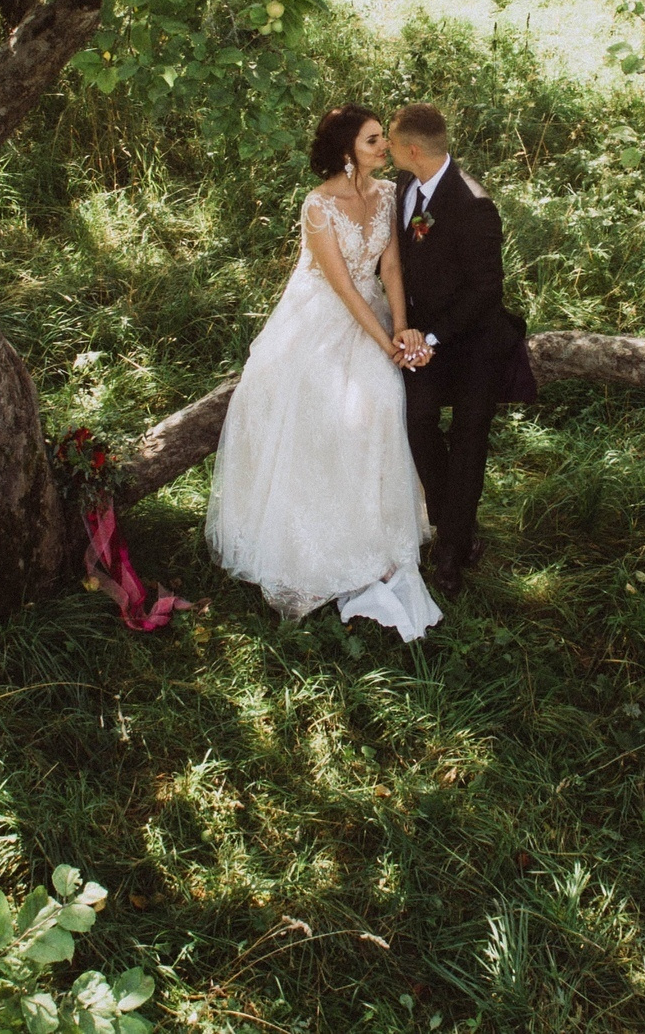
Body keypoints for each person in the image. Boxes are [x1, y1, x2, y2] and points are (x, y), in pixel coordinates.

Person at [203, 106, 442, 640]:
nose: (385, 147)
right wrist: (385, 344)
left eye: (382, 138)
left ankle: (375, 532)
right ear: (346, 150)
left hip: (374, 311)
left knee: (384, 398)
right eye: (373, 140)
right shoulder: (318, 206)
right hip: (321, 318)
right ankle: (312, 534)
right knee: (323, 407)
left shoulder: (389, 193)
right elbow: (344, 287)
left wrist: (402, 330)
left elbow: (390, 268)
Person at [387, 103, 535, 595]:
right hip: (421, 335)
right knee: (418, 417)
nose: (387, 150)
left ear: (413, 150)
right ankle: (456, 522)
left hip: (473, 338)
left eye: (391, 143)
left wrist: (431, 339)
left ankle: (451, 551)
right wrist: (412, 333)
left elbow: (485, 292)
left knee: (470, 431)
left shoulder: (474, 204)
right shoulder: (405, 186)